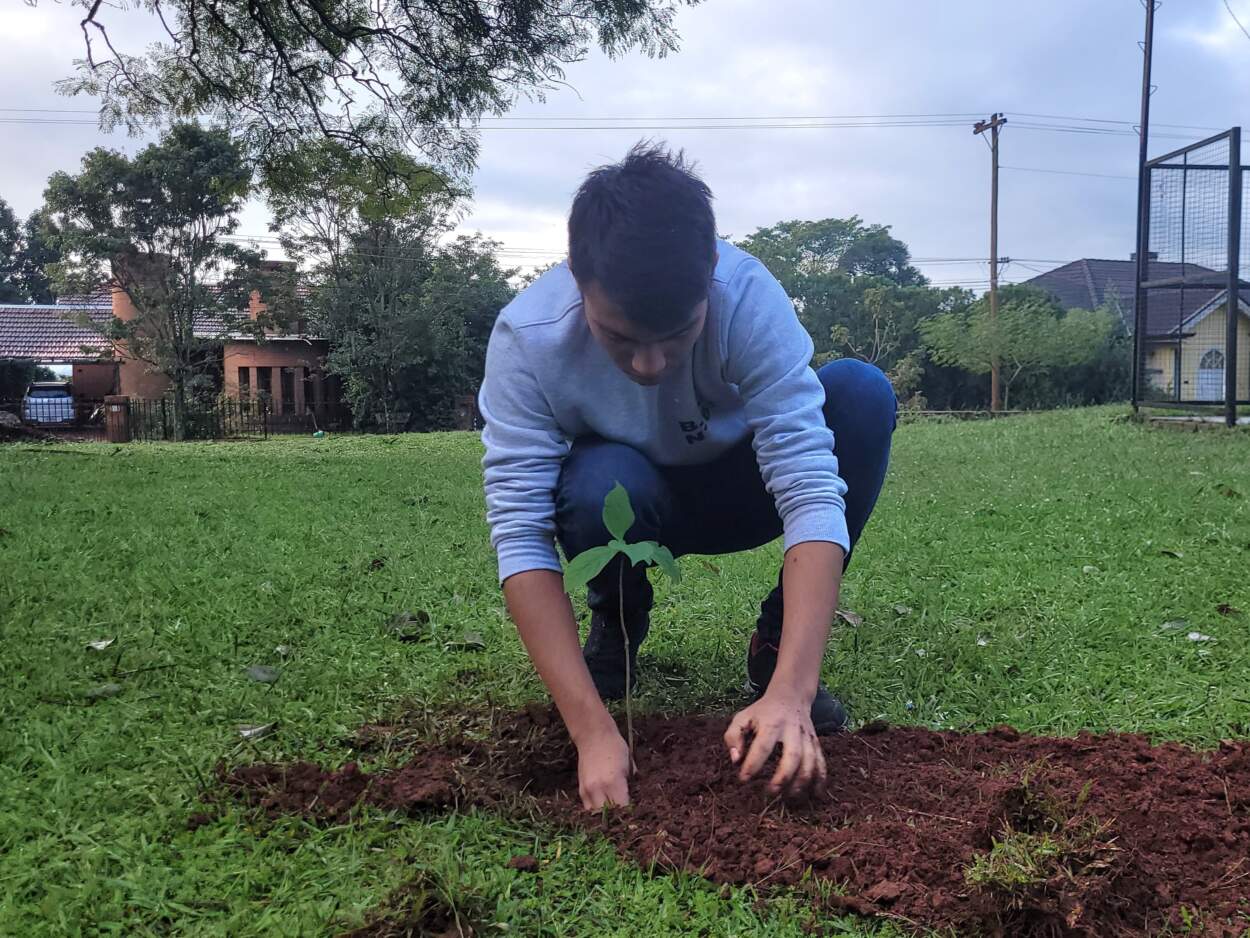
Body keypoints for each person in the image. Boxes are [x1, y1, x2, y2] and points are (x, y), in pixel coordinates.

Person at [479, 142, 896, 811]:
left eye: (676, 334)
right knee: (597, 480)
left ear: (709, 279)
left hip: (741, 488)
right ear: (578, 283)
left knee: (860, 395)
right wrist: (590, 732)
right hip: (626, 502)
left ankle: (776, 648)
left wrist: (792, 692)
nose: (650, 364)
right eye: (621, 338)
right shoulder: (527, 339)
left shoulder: (748, 295)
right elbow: (521, 533)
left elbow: (811, 487)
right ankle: (616, 628)